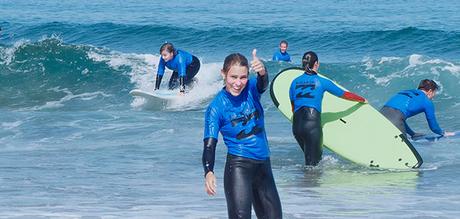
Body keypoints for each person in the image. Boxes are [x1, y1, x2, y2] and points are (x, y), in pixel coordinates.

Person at [202, 50, 282, 218]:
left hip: (263, 166)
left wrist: (262, 71)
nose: (238, 83)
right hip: (239, 169)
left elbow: (263, 84)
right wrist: (208, 171)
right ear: (223, 74)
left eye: (243, 77)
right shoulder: (216, 108)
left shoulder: (251, 89)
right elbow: (210, 144)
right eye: (233, 77)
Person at [290, 51, 367, 166]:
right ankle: (308, 183)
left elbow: (293, 108)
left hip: (296, 128)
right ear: (316, 64)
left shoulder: (294, 82)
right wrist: (362, 99)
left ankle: (304, 182)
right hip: (311, 127)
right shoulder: (321, 81)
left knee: (309, 161)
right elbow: (344, 94)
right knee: (313, 165)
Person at [380, 79, 455, 139]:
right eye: (434, 93)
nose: (433, 97)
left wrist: (412, 134)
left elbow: (397, 117)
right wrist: (444, 133)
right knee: (404, 151)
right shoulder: (426, 101)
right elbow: (433, 127)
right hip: (396, 119)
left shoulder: (405, 92)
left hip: (379, 116)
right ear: (430, 91)